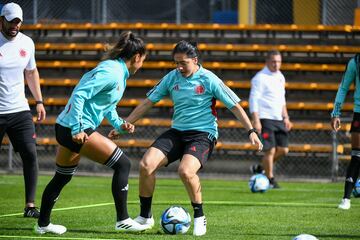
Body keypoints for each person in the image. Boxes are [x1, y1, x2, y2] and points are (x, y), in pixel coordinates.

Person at [117, 40, 263, 236]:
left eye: (182, 63)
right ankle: (145, 217)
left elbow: (235, 106)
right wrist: (124, 125)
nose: (178, 67)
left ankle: (199, 217)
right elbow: (147, 103)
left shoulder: (209, 79)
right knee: (146, 165)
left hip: (203, 134)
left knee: (185, 171)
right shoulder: (172, 78)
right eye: (175, 62)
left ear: (195, 60)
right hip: (177, 132)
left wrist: (251, 131)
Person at [34, 31, 150, 235]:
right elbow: (79, 95)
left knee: (61, 177)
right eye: (143, 61)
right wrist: (78, 128)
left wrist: (120, 124)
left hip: (65, 127)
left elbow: (106, 106)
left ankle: (42, 224)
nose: (142, 66)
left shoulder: (116, 72)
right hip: (75, 128)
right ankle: (123, 220)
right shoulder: (112, 72)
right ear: (137, 57)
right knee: (123, 164)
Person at [0, 2, 46, 218]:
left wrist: (39, 101)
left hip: (19, 110)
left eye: (18, 22)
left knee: (30, 153)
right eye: (10, 21)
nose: (14, 26)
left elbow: (31, 72)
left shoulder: (27, 43)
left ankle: (30, 206)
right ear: (2, 19)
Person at [249, 50, 292, 189]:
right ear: (267, 61)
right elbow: (253, 100)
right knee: (270, 150)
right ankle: (270, 179)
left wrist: (286, 117)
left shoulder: (280, 76)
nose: (276, 64)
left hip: (278, 118)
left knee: (284, 150)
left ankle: (261, 167)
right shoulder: (260, 77)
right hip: (265, 118)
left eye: (279, 61)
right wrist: (256, 120)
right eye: (273, 61)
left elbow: (282, 99)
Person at [331, 54, 360, 210]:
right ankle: (346, 199)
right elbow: (343, 87)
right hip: (359, 113)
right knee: (356, 156)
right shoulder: (355, 62)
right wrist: (335, 113)